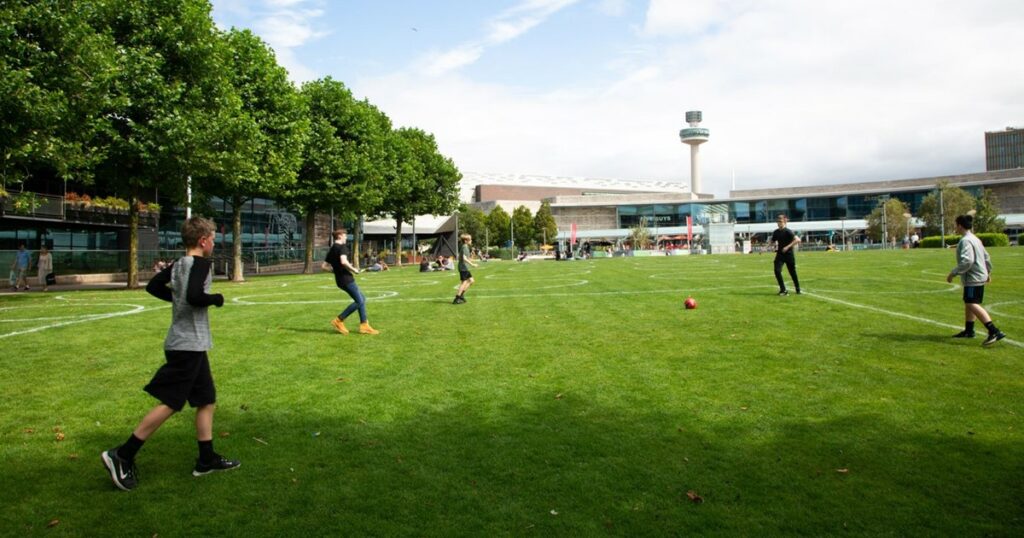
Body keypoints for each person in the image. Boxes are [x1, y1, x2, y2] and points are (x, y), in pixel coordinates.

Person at [101, 217, 237, 492]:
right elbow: (196, 296)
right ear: (203, 240)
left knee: (206, 399)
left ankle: (206, 458)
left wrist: (178, 299)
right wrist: (216, 299)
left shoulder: (178, 264)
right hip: (187, 345)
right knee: (172, 402)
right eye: (211, 238)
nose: (213, 242)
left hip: (190, 344)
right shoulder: (199, 264)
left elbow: (153, 287)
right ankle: (122, 455)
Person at [946, 214, 1006, 346]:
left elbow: (967, 261)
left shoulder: (965, 241)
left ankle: (994, 331)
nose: (955, 227)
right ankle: (969, 330)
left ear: (960, 225)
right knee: (969, 302)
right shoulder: (975, 239)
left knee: (972, 303)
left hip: (973, 277)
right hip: (979, 276)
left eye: (956, 225)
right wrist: (988, 272)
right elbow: (986, 257)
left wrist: (953, 273)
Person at [324, 229, 379, 335]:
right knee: (359, 301)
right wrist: (354, 270)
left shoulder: (332, 249)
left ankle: (364, 325)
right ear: (339, 236)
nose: (346, 237)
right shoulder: (342, 247)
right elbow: (343, 261)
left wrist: (336, 271)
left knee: (362, 299)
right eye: (345, 235)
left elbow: (324, 266)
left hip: (340, 280)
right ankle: (339, 320)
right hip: (346, 279)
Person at [771, 214, 802, 295]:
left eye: (780, 221)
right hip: (780, 254)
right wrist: (764, 248)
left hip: (789, 255)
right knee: (777, 271)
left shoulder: (788, 231)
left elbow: (797, 240)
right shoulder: (776, 232)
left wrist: (787, 247)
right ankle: (783, 290)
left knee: (792, 272)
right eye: (778, 221)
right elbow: (772, 241)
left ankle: (798, 289)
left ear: (785, 222)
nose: (779, 223)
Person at [453, 233, 479, 304]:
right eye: (470, 240)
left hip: (465, 267)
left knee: (471, 281)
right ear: (465, 241)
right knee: (464, 282)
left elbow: (467, 258)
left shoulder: (466, 247)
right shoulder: (464, 246)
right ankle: (457, 298)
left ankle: (461, 295)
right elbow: (464, 258)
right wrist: (472, 264)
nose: (471, 241)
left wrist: (472, 258)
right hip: (463, 267)